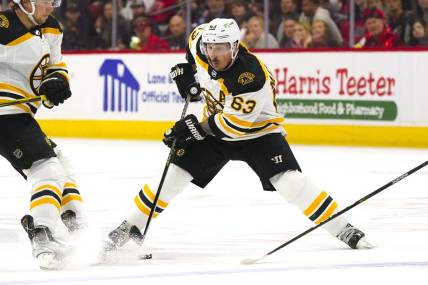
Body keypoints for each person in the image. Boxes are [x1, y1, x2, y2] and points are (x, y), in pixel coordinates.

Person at [102, 18, 372, 256]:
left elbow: (232, 126)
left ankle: (343, 228)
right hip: (215, 125)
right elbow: (191, 53)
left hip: (259, 133)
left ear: (234, 46)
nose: (213, 54)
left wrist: (192, 128)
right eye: (210, 47)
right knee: (174, 175)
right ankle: (132, 225)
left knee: (290, 183)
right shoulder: (200, 42)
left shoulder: (249, 76)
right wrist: (185, 75)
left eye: (220, 48)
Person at [0, 0, 87, 270]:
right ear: (24, 2)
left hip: (20, 114)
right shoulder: (2, 26)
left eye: (54, 1)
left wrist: (56, 82)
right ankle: (43, 234)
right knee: (47, 170)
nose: (52, 7)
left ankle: (81, 233)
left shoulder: (51, 27)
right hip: (4, 115)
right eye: (47, 1)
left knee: (60, 166)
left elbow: (55, 65)